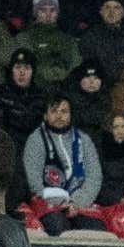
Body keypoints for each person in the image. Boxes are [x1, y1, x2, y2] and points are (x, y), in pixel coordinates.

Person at [22, 96, 104, 235]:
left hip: (81, 201)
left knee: (96, 229)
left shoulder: (83, 139)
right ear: (45, 116)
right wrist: (62, 202)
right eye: (54, 111)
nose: (59, 115)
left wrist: (77, 202)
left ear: (71, 115)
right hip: (48, 201)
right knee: (57, 226)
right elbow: (33, 180)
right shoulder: (36, 139)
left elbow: (95, 176)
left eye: (64, 111)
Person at [13, 0, 80, 92]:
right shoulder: (25, 37)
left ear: (57, 13)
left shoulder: (67, 39)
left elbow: (75, 63)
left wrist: (63, 78)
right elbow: (27, 65)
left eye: (52, 10)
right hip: (36, 89)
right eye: (43, 10)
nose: (48, 15)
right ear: (36, 13)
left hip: (65, 88)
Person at [79, 0, 124, 85]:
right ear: (101, 12)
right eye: (107, 7)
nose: (111, 12)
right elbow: (88, 66)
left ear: (123, 13)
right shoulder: (90, 37)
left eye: (116, 8)